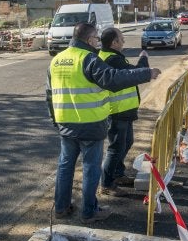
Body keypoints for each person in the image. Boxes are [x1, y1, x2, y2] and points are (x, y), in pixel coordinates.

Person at [46, 23, 160, 224]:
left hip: (66, 124)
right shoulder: (88, 59)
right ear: (89, 39)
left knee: (65, 166)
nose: (97, 43)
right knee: (91, 168)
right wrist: (146, 73)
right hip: (90, 124)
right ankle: (89, 211)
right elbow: (112, 79)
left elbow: (49, 95)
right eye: (96, 39)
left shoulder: (56, 60)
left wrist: (55, 120)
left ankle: (61, 208)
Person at [98, 28, 149, 196]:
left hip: (124, 110)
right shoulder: (112, 59)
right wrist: (143, 60)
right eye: (122, 39)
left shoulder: (113, 57)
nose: (124, 41)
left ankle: (118, 174)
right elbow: (134, 74)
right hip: (117, 111)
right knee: (116, 148)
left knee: (126, 143)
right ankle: (106, 183)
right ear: (114, 42)